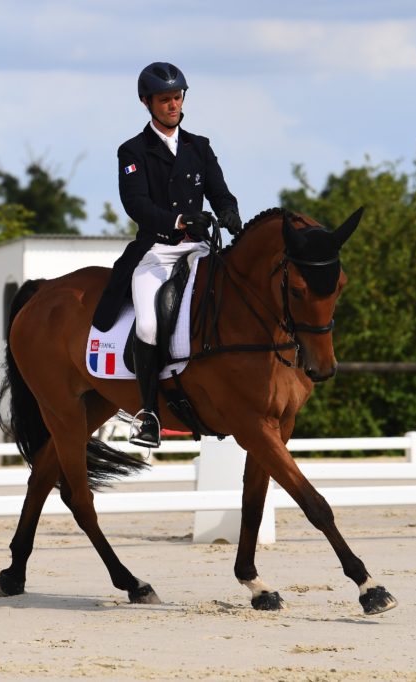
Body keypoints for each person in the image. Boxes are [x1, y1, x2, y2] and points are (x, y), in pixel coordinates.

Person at [92, 61, 243, 448]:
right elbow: (136, 204)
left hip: (199, 249)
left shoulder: (199, 147)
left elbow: (220, 191)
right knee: (147, 326)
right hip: (157, 252)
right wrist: (177, 220)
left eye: (177, 97)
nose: (173, 105)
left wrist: (229, 211)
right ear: (147, 103)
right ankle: (147, 416)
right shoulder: (133, 150)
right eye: (164, 100)